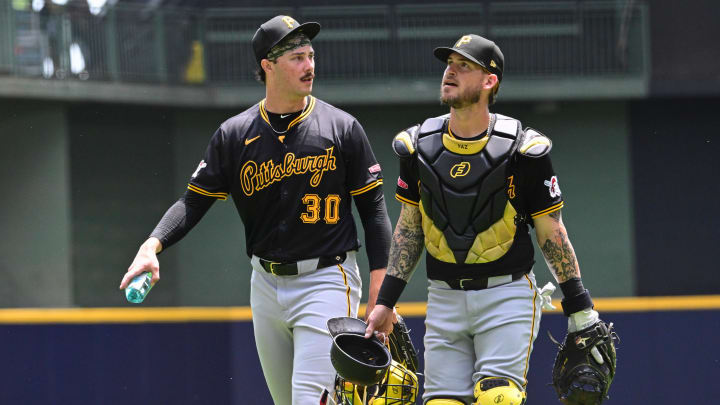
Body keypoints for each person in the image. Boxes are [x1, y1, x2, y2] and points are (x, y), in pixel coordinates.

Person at [119, 15, 392, 405]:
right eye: (297, 57)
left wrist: (381, 285)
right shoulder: (235, 134)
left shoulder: (342, 128)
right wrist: (152, 244)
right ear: (268, 65)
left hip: (327, 279)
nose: (309, 65)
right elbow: (192, 202)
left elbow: (374, 209)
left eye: (311, 55)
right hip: (264, 283)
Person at [364, 34, 608, 404]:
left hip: (506, 295)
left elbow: (550, 231)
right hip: (444, 297)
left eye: (464, 66)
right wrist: (386, 302)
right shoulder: (417, 146)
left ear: (489, 81)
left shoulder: (524, 149)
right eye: (449, 64)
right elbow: (410, 228)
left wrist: (579, 305)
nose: (450, 72)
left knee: (501, 398)